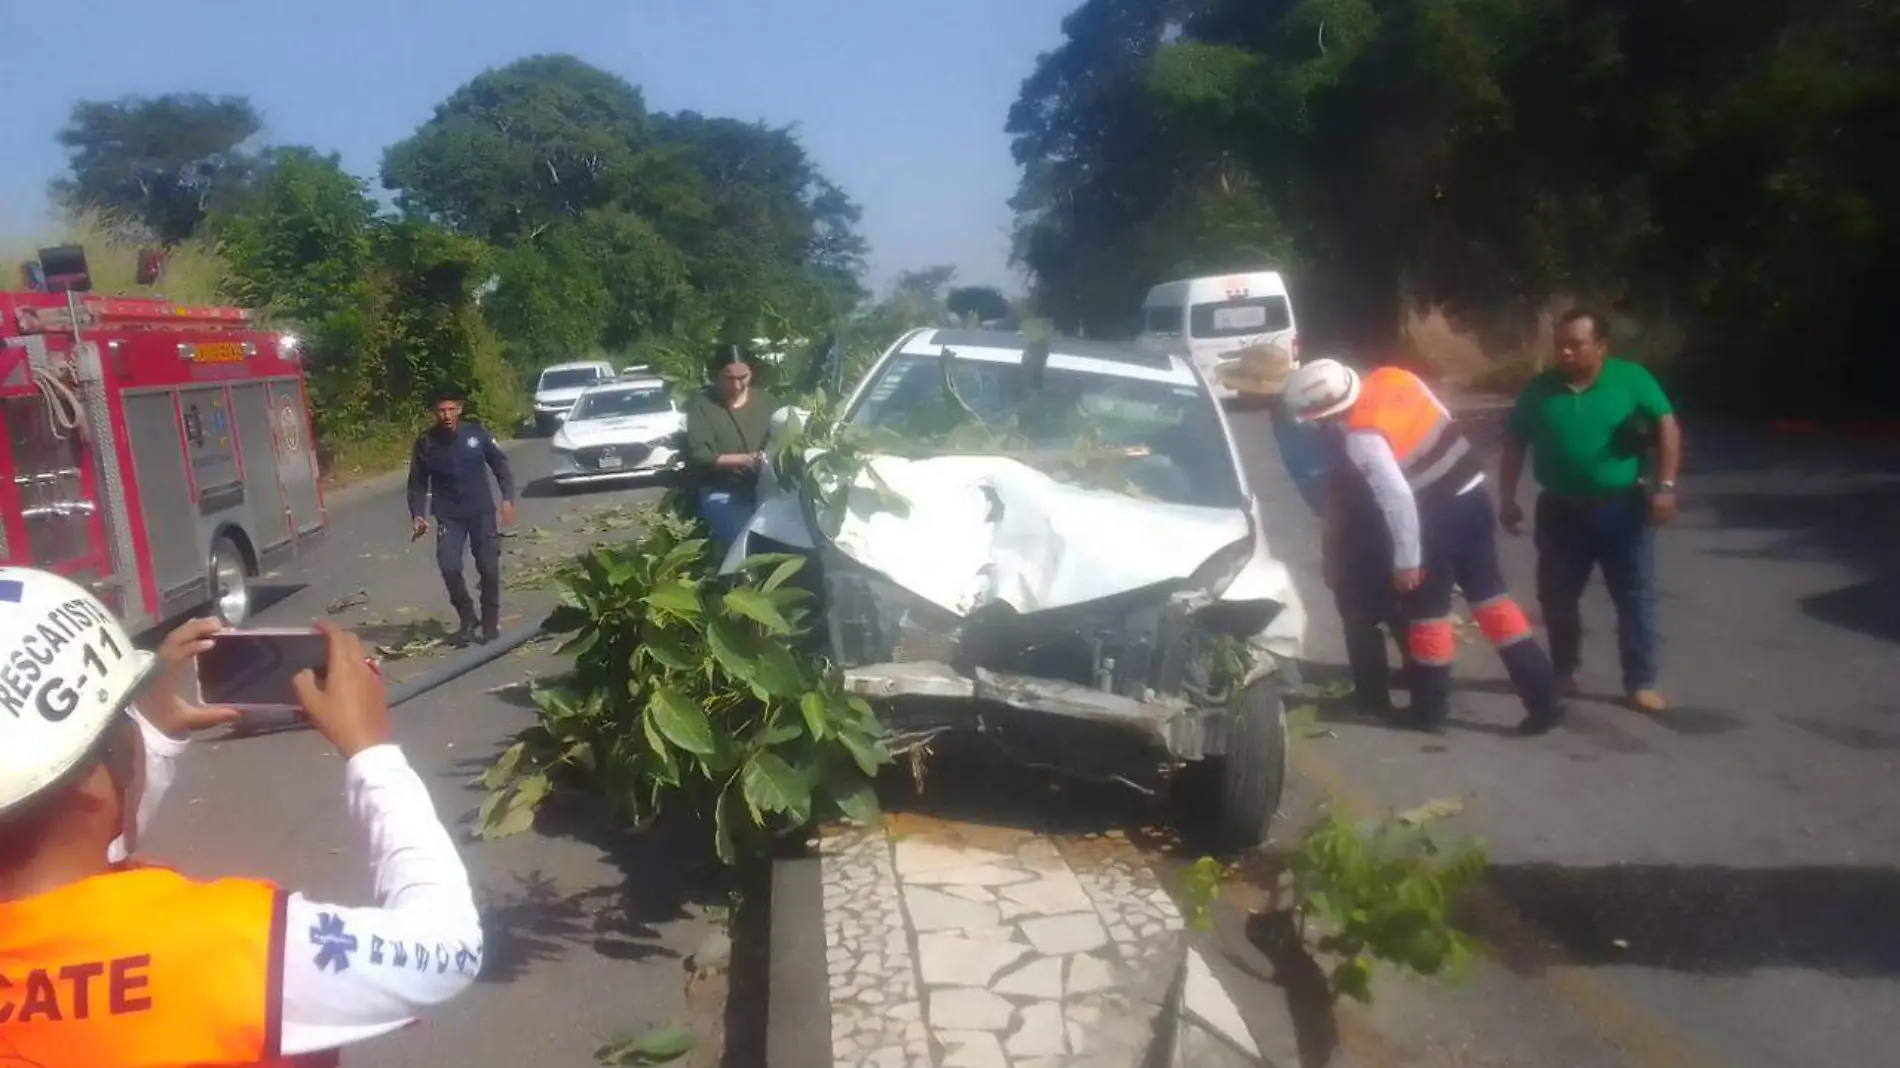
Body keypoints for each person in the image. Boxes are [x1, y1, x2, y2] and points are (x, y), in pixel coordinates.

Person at [0, 568, 481, 1066]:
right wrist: (372, 752)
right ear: (114, 756)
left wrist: (154, 734)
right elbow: (449, 948)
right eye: (127, 721)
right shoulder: (229, 946)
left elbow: (77, 844)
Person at [1285, 358, 1564, 734]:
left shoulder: (1361, 437)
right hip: (1472, 497)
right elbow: (1443, 415)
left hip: (1436, 513)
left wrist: (1406, 561)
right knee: (1492, 602)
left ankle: (1428, 711)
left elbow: (1398, 498)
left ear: (1326, 413)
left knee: (1426, 615)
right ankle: (1543, 697)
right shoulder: (1394, 377)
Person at [1498, 309, 1681, 713]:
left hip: (1621, 510)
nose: (1564, 352)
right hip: (1560, 512)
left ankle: (1641, 682)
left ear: (1601, 347)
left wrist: (1665, 487)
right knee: (1557, 596)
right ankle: (1563, 671)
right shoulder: (1540, 390)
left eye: (1576, 344)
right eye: (1559, 343)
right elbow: (1514, 444)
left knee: (1635, 597)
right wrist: (1507, 498)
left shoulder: (1631, 379)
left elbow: (1667, 426)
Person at [1256, 348, 1414, 715]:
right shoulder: (1290, 411)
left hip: (1356, 512)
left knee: (1357, 604)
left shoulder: (1300, 416)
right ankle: (1416, 669)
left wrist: (1332, 539)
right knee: (1387, 600)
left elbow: (1331, 480)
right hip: (1358, 508)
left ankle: (1374, 693)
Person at [407, 387, 517, 646]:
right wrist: (417, 515)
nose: (446, 415)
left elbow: (500, 467)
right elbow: (417, 484)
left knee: (488, 568)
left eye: (451, 409)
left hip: (481, 511)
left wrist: (508, 499)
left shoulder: (477, 434)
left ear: (460, 409)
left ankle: (490, 622)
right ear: (435, 413)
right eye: (441, 410)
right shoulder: (426, 443)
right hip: (449, 515)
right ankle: (467, 617)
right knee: (449, 566)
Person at [683, 345, 780, 549]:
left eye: (743, 377)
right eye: (729, 378)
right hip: (723, 490)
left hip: (768, 489)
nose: (737, 385)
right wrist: (747, 459)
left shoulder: (767, 401)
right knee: (747, 542)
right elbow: (700, 455)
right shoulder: (702, 405)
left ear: (751, 372)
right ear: (716, 375)